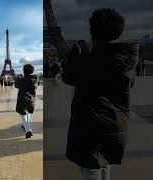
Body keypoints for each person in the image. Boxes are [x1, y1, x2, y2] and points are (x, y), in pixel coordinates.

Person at [61, 8, 138, 180]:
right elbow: (129, 84)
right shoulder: (127, 60)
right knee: (105, 164)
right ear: (118, 33)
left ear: (92, 31)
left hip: (88, 125)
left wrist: (73, 59)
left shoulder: (86, 60)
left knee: (91, 168)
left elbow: (67, 78)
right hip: (116, 122)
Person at [15, 64, 38, 138]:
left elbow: (16, 85)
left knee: (23, 114)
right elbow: (35, 87)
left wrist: (19, 77)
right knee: (27, 112)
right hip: (30, 99)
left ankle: (28, 130)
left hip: (22, 98)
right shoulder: (35, 79)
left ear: (23, 71)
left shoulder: (20, 78)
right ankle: (25, 125)